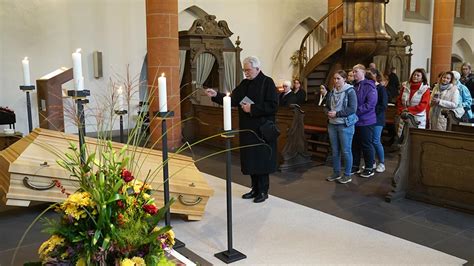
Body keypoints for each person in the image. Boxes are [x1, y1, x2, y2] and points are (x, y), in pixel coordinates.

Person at [205, 56, 278, 203]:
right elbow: (232, 99)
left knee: (262, 161)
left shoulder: (267, 82)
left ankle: (263, 191)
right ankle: (254, 188)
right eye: (244, 70)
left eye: (248, 70)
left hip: (262, 130)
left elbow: (273, 106)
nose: (246, 73)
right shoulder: (245, 83)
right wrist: (216, 96)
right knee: (251, 160)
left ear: (257, 68)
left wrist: (253, 108)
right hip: (247, 129)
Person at [325, 70, 357, 184]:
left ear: (344, 79)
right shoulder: (332, 92)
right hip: (332, 124)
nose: (336, 80)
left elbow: (352, 108)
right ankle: (336, 172)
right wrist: (328, 112)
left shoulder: (350, 91)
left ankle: (347, 175)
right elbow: (327, 105)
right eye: (334, 78)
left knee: (346, 151)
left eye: (338, 78)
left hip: (345, 124)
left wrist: (337, 114)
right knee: (335, 151)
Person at [351, 64, 377, 178]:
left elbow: (370, 104)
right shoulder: (354, 86)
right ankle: (355, 166)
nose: (353, 73)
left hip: (366, 120)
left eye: (356, 71)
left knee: (367, 145)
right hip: (355, 121)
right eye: (353, 71)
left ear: (363, 72)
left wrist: (354, 111)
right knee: (355, 144)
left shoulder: (369, 86)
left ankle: (369, 167)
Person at [396, 68, 431, 132]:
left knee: (415, 137)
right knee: (402, 135)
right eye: (414, 75)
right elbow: (399, 100)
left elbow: (423, 105)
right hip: (404, 115)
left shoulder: (425, 89)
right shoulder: (405, 87)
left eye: (418, 75)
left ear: (422, 78)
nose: (415, 77)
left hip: (417, 117)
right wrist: (401, 110)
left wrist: (408, 110)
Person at [368, 68, 388, 173]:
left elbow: (383, 105)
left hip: (377, 118)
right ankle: (372, 162)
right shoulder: (368, 87)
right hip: (368, 118)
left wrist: (372, 112)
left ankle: (381, 163)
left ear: (375, 75)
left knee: (375, 140)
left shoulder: (381, 88)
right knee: (369, 141)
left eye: (370, 74)